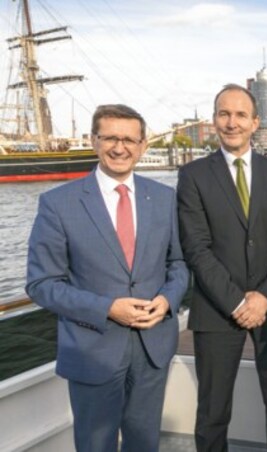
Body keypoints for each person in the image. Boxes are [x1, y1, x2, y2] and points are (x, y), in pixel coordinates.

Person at [26, 104, 189, 451]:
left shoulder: (163, 198)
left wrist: (167, 300)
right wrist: (107, 308)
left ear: (143, 145)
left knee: (144, 443)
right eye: (110, 137)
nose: (120, 147)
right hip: (92, 348)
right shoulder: (58, 203)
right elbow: (41, 284)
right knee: (95, 444)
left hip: (152, 347)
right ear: (93, 140)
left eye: (129, 139)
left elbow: (178, 263)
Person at [177, 84, 267, 451]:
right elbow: (196, 248)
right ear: (214, 121)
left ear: (255, 122)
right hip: (216, 309)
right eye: (224, 114)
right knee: (212, 411)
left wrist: (264, 296)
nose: (232, 122)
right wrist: (237, 303)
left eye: (241, 115)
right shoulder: (193, 175)